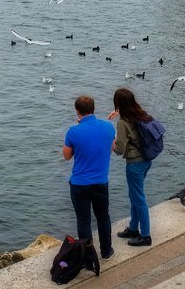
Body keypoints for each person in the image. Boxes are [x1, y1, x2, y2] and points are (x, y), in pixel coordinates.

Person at [63, 95, 117, 260]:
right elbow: (111, 149)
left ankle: (87, 257)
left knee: (84, 221)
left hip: (80, 184)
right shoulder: (108, 127)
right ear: (94, 109)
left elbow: (67, 156)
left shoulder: (73, 131)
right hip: (101, 182)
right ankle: (106, 251)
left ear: (77, 112)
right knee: (103, 217)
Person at [108, 88, 154, 248]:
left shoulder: (122, 123)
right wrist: (118, 112)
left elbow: (120, 149)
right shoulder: (141, 113)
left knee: (139, 198)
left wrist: (111, 142)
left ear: (118, 104)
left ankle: (145, 235)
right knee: (135, 195)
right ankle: (133, 228)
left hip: (134, 163)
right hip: (146, 160)